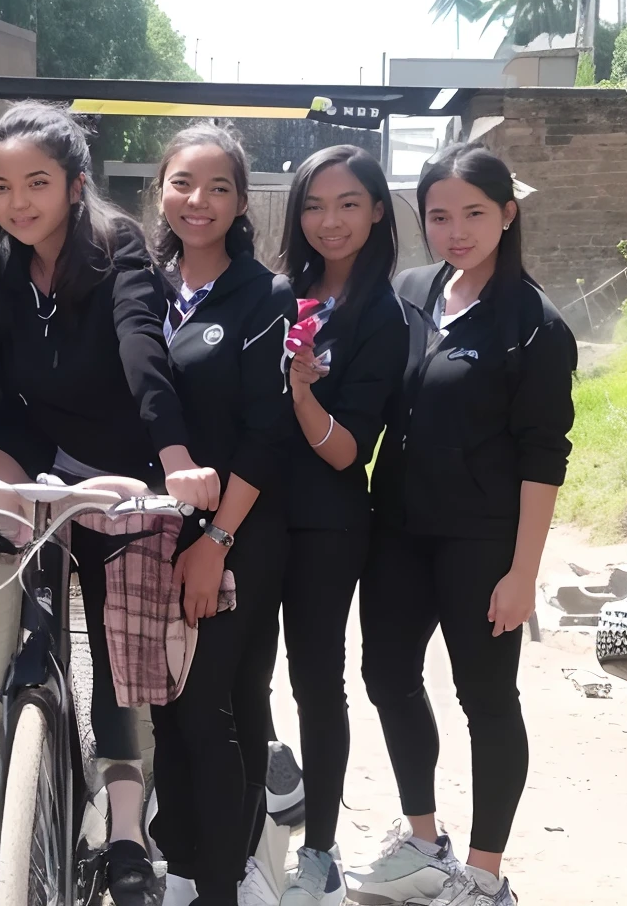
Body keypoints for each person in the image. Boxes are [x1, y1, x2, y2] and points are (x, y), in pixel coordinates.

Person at [0, 101, 222, 904]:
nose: (18, 202)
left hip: (122, 461)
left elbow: (141, 345)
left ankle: (128, 826)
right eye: (0, 186)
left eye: (37, 183)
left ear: (74, 184)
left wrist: (174, 459)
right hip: (35, 458)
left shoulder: (117, 246)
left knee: (117, 637)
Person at [345, 143, 577, 906]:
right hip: (398, 531)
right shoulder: (410, 292)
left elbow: (545, 458)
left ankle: (483, 875)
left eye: (474, 213)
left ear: (508, 214)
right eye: (439, 215)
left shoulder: (534, 325)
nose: (456, 230)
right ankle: (422, 842)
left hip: (481, 541)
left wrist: (523, 574)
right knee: (386, 675)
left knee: (487, 700)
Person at [140, 122, 296, 906]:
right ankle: (185, 869)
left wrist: (217, 544)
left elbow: (266, 435)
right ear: (160, 188)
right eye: (182, 183)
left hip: (237, 533)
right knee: (166, 714)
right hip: (150, 531)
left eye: (219, 188)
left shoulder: (262, 295)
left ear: (241, 203)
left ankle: (223, 885)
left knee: (212, 711)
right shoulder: (142, 284)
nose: (197, 201)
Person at [262, 145, 411, 906]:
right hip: (250, 511)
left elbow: (349, 451)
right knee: (238, 673)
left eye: (349, 203)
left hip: (327, 522)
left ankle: (318, 848)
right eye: (316, 205)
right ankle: (255, 812)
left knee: (317, 679)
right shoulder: (277, 292)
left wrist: (300, 394)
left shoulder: (383, 316)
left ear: (378, 210)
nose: (331, 220)